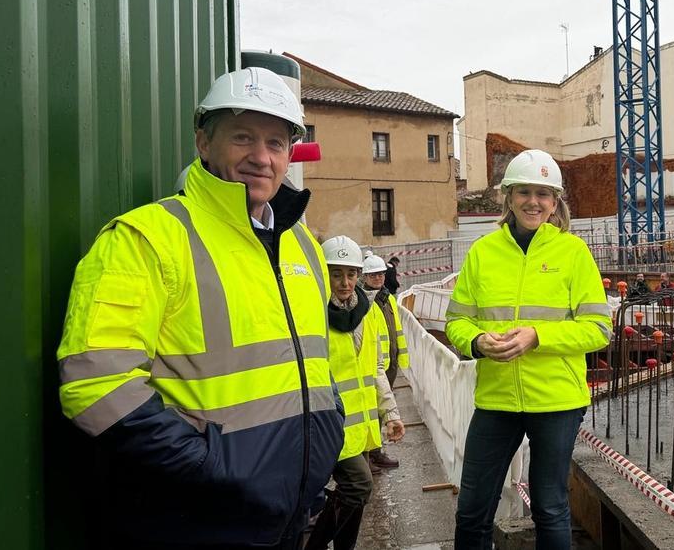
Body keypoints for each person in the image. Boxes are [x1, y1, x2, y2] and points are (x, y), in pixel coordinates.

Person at [56, 67, 344, 548]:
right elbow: (94, 383)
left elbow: (314, 364)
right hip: (195, 521)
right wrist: (212, 468)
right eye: (243, 137)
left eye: (276, 143)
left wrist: (322, 445)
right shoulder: (145, 238)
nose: (261, 157)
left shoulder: (302, 244)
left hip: (288, 510)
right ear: (203, 143)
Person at [444, 149, 611, 549]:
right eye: (524, 192)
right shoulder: (483, 253)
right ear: (509, 197)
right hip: (497, 399)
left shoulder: (573, 254)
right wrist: (477, 342)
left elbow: (599, 328)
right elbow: (456, 322)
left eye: (543, 194)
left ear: (555, 203)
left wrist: (539, 336)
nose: (533, 202)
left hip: (556, 400)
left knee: (550, 507)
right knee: (471, 509)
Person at [308, 237, 405, 550]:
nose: (345, 282)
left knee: (358, 495)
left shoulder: (369, 312)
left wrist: (390, 414)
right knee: (360, 485)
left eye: (351, 274)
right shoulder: (312, 315)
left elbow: (376, 369)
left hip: (360, 426)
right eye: (336, 274)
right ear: (325, 275)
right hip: (329, 425)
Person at [360, 253, 410, 469]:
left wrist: (400, 355)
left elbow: (396, 329)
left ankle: (375, 451)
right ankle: (368, 454)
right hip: (372, 363)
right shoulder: (362, 301)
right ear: (364, 277)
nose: (378, 278)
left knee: (382, 409)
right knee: (370, 410)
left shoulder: (387, 298)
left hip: (389, 362)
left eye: (380, 274)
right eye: (373, 275)